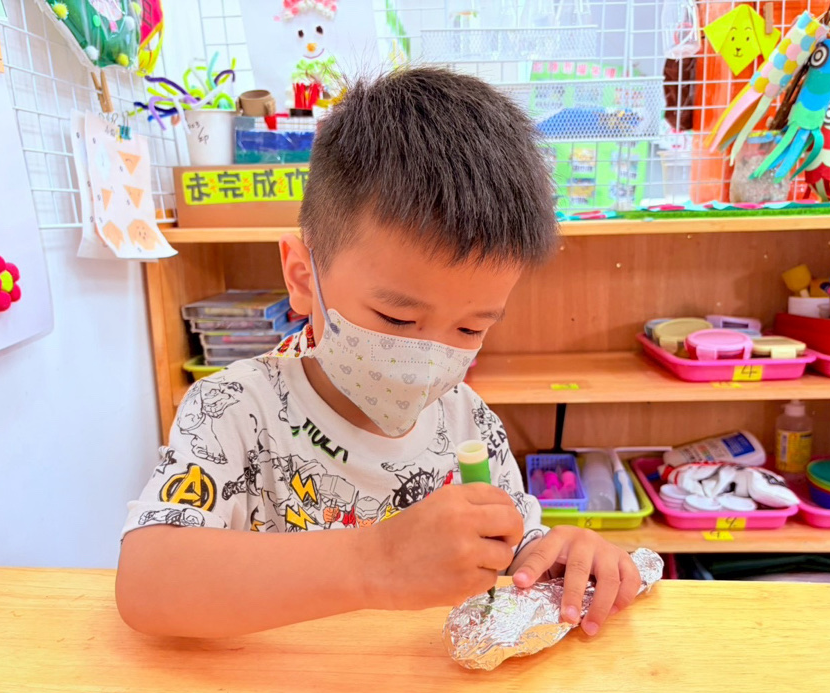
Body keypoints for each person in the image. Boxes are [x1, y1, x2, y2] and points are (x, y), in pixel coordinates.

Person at [116, 67, 642, 639]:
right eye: (397, 319)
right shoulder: (235, 410)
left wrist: (557, 555)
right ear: (303, 278)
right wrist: (375, 562)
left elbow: (512, 555)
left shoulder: (470, 425)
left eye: (470, 329)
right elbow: (147, 582)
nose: (429, 358)